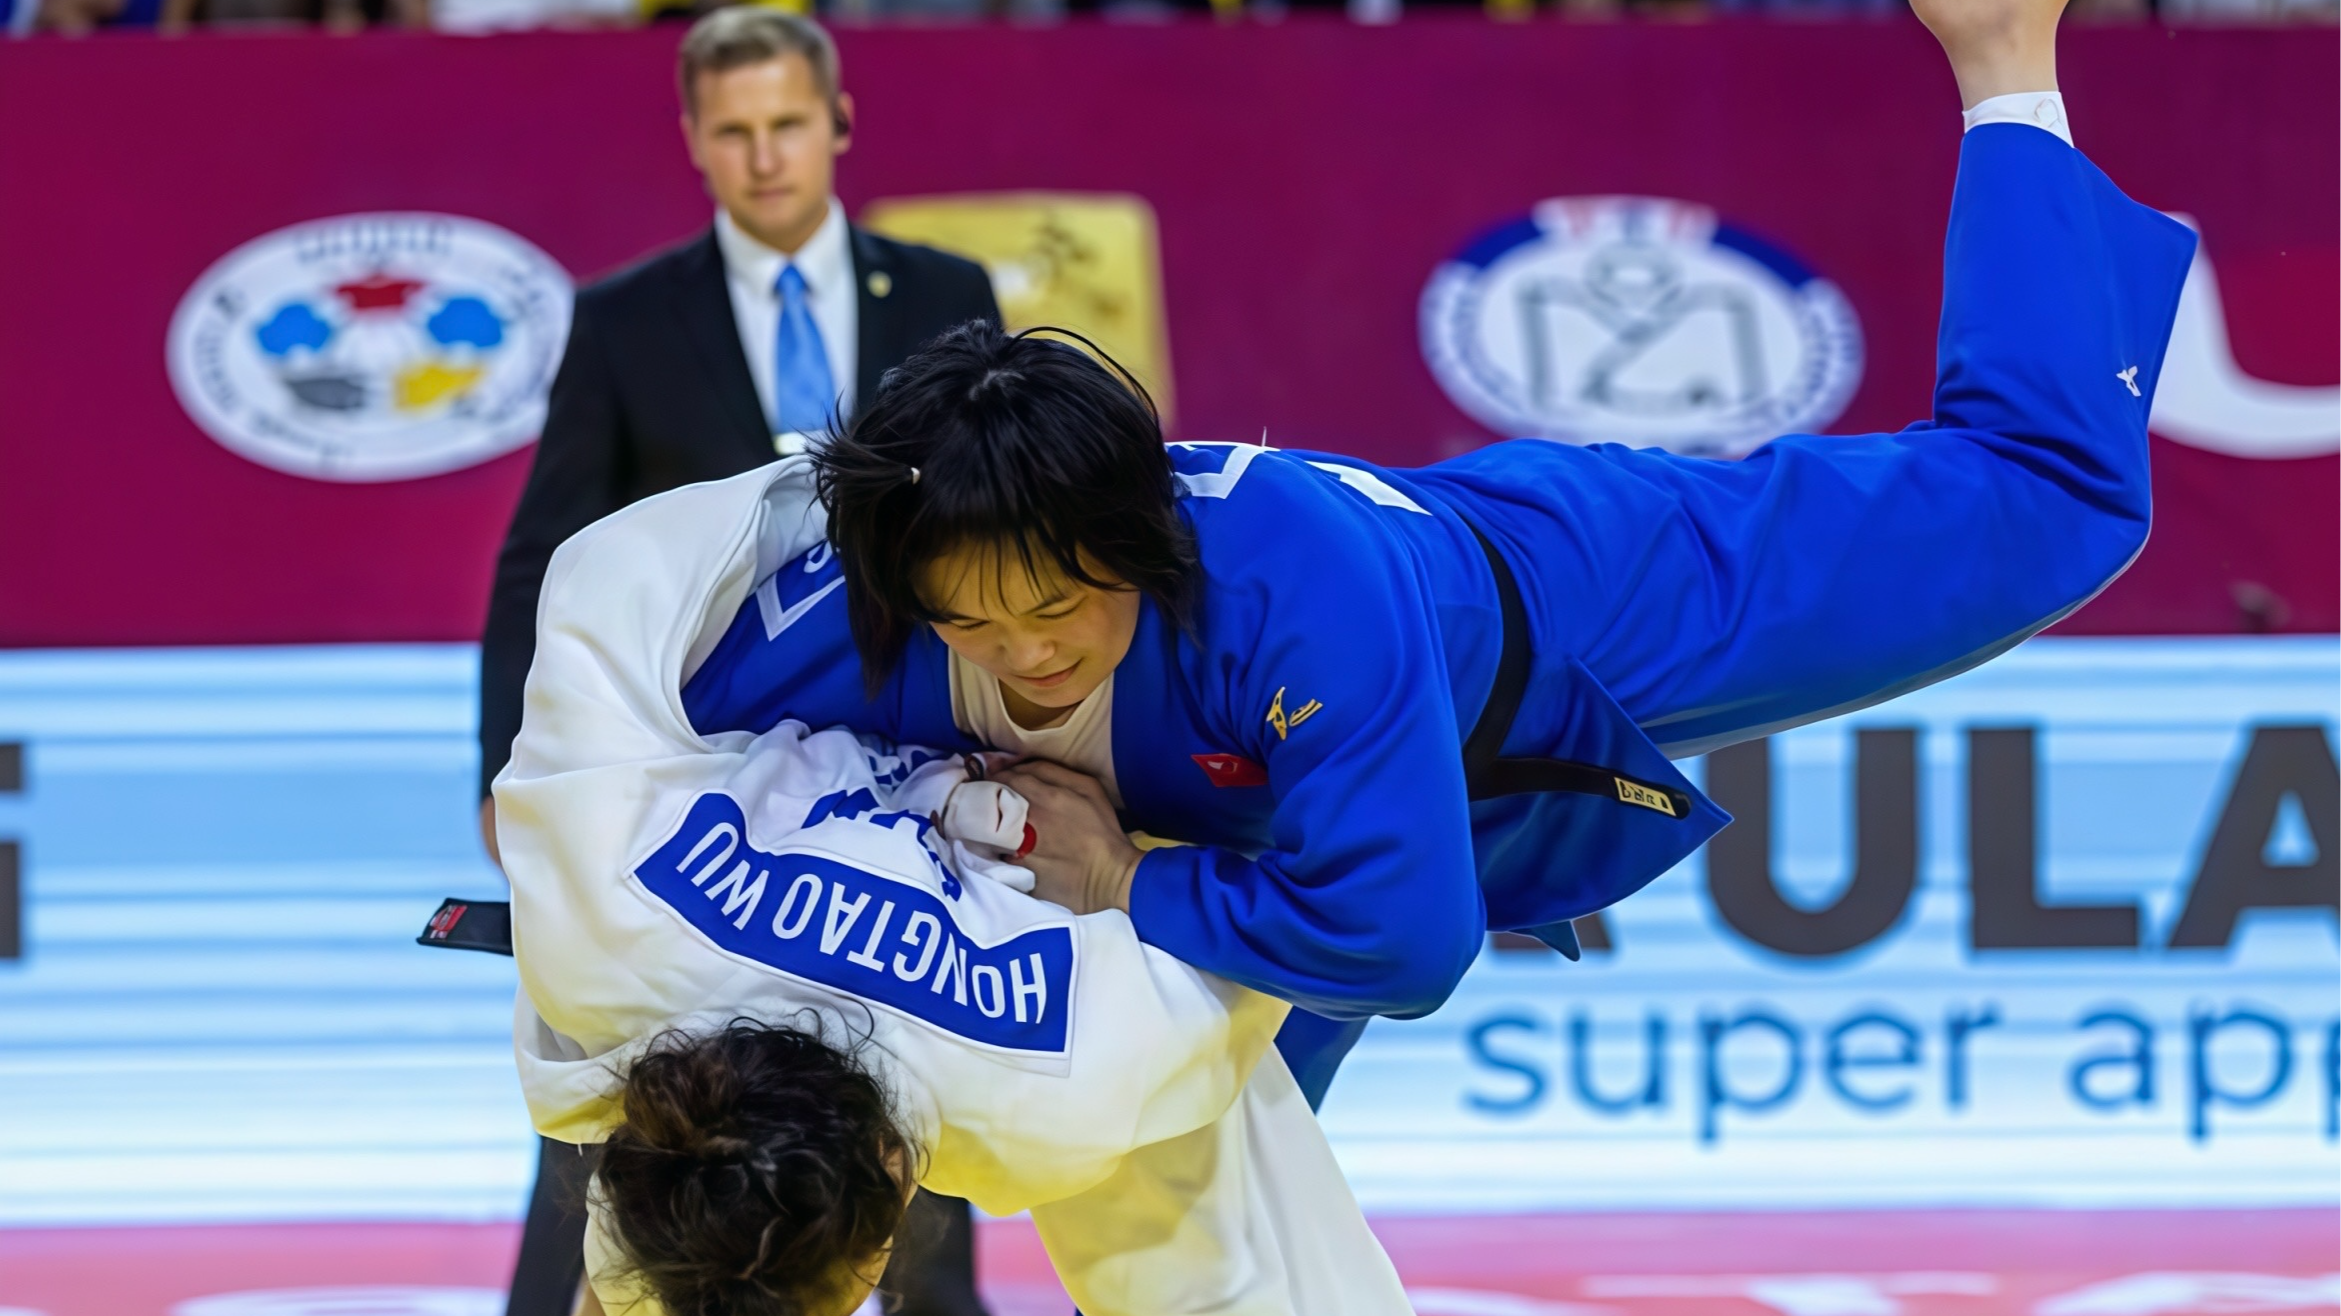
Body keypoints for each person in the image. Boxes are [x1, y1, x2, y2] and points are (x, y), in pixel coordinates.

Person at [673, 0, 2199, 1107]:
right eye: (972, 627)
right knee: (1187, 1184)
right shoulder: (845, 616)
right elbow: (628, 740)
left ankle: (2005, 60)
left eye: (1065, 605)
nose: (1025, 654)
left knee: (2046, 510)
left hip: (1562, 604)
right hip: (1279, 818)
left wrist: (1125, 873)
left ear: (1143, 544)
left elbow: (1404, 943)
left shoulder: (1296, 597)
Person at [494, 462, 1410, 1316]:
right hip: (936, 665)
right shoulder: (596, 932)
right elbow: (608, 575)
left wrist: (1124, 869)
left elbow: (1240, 969)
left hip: (1072, 720)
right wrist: (856, 492)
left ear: (897, 1176)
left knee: (1194, 1246)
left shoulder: (1047, 1089)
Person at [475, 10, 1000, 1316]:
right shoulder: (624, 323)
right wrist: (505, 772)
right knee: (631, 1101)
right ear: (696, 145)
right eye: (734, 132)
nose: (764, 157)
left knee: (924, 1086)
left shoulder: (945, 300)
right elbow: (542, 560)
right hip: (683, 788)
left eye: (785, 125)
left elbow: (999, 537)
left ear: (836, 125)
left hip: (905, 772)